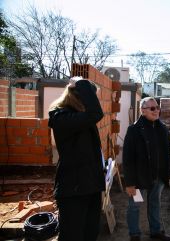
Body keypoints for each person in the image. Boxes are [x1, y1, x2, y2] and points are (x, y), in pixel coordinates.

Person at [48, 78, 105, 241]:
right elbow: (96, 113)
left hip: (91, 186)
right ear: (80, 96)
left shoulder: (81, 117)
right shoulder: (61, 116)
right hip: (73, 189)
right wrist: (81, 83)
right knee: (72, 235)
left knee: (90, 233)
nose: (94, 102)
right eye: (92, 97)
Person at [123, 97, 170, 241]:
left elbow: (168, 154)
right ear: (143, 111)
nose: (156, 110)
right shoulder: (134, 130)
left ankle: (155, 231)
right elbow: (128, 159)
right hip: (139, 180)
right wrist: (130, 182)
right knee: (135, 206)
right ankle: (134, 235)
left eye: (157, 107)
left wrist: (169, 174)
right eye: (152, 108)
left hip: (158, 178)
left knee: (155, 204)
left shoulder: (163, 129)